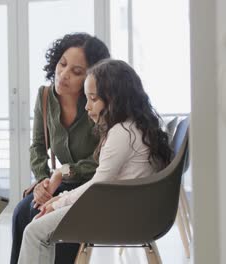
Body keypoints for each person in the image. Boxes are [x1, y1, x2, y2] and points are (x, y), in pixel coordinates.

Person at [17, 59, 173, 264]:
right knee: (38, 226)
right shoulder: (137, 127)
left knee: (35, 232)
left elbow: (97, 185)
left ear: (115, 99)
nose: (87, 107)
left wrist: (58, 202)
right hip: (132, 210)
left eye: (93, 99)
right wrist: (60, 198)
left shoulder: (122, 133)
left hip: (116, 214)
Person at [10, 33, 110, 264]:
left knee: (54, 219)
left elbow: (102, 160)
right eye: (62, 64)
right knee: (23, 211)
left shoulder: (99, 104)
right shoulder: (44, 96)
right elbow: (37, 146)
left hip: (91, 185)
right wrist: (43, 182)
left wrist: (62, 173)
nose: (63, 75)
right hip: (59, 181)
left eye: (76, 72)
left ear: (92, 77)